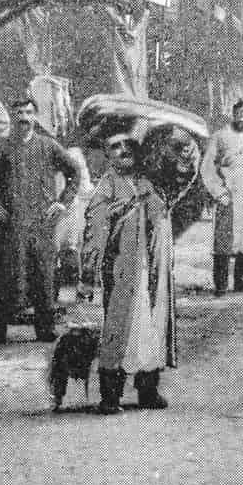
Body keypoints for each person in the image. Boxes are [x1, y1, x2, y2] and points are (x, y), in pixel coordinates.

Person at [0, 92, 88, 347]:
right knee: (3, 279)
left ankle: (45, 330)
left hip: (42, 224)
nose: (25, 119)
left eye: (29, 114)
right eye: (19, 114)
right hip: (12, 225)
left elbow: (74, 172)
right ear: (12, 117)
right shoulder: (0, 147)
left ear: (35, 116)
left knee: (43, 277)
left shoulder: (48, 146)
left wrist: (62, 203)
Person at [81, 131, 178, 414]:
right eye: (115, 146)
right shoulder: (106, 186)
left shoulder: (145, 182)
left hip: (149, 273)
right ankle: (110, 395)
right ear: (107, 154)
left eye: (127, 145)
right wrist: (87, 276)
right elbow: (94, 231)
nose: (123, 150)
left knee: (150, 327)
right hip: (122, 270)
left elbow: (161, 216)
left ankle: (147, 390)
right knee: (118, 327)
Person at [198, 99, 243, 295]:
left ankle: (242, 281)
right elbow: (207, 168)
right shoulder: (219, 137)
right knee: (224, 240)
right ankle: (220, 284)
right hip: (228, 197)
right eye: (240, 113)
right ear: (233, 113)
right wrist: (219, 192)